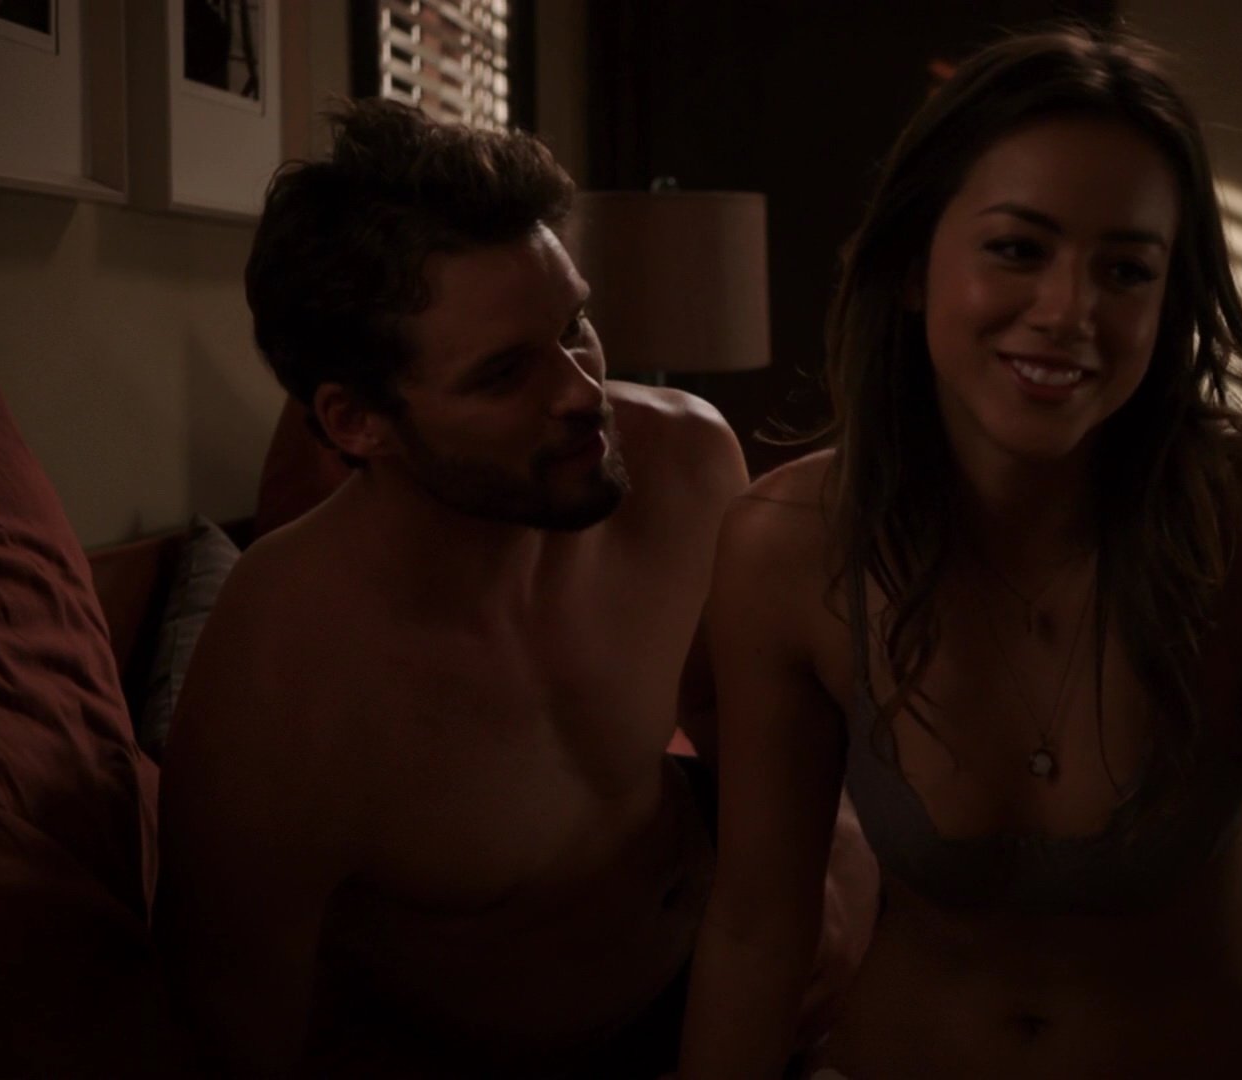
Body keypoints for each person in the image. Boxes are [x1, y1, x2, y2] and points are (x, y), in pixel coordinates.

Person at [679, 25, 1242, 1079]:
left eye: (1125, 270)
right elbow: (757, 933)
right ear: (917, 266)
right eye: (1018, 250)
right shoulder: (787, 544)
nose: (1071, 313)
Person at [154, 100, 874, 1077]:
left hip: (729, 983)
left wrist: (829, 850)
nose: (583, 391)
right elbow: (232, 1038)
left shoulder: (685, 460)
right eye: (503, 374)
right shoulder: (282, 671)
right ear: (357, 422)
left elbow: (736, 708)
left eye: (575, 324)